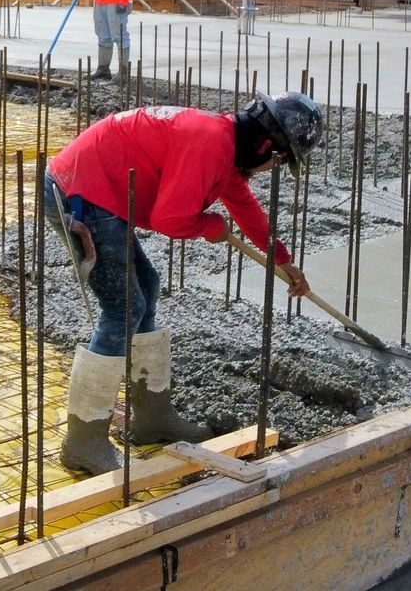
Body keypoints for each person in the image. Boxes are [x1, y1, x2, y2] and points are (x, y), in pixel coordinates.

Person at [45, 92, 323, 475]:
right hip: (80, 191)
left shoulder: (224, 143)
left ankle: (151, 416)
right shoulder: (209, 143)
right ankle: (83, 441)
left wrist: (281, 258)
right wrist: (211, 226)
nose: (268, 171)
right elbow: (170, 218)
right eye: (276, 161)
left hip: (98, 186)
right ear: (265, 145)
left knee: (147, 286)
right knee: (124, 306)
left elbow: (242, 204)